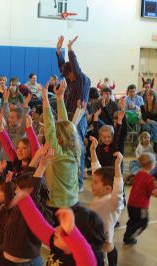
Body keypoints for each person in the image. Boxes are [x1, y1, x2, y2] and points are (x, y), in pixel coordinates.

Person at [56, 35, 91, 191]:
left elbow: (74, 67)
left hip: (80, 115)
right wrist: (58, 51)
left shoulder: (81, 79)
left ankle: (79, 183)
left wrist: (69, 49)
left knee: (78, 147)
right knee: (66, 144)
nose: (68, 78)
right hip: (70, 114)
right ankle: (69, 176)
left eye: (69, 74)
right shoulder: (70, 79)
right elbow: (63, 66)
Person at [41, 80, 80, 209]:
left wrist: (46, 99)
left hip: (57, 206)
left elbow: (50, 129)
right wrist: (59, 98)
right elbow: (65, 125)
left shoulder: (57, 154)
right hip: (73, 203)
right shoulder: (75, 151)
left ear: (60, 139)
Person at [89, 136, 124, 266]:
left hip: (105, 247)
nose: (92, 184)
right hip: (95, 239)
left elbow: (118, 190)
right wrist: (93, 151)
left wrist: (117, 167)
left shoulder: (112, 202)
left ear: (108, 188)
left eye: (95, 183)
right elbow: (96, 170)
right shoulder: (100, 195)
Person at [124, 153, 157, 244]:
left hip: (131, 204)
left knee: (132, 220)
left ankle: (127, 235)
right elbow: (153, 192)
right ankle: (129, 236)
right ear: (152, 165)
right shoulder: (150, 178)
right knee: (143, 223)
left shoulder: (138, 174)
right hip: (141, 206)